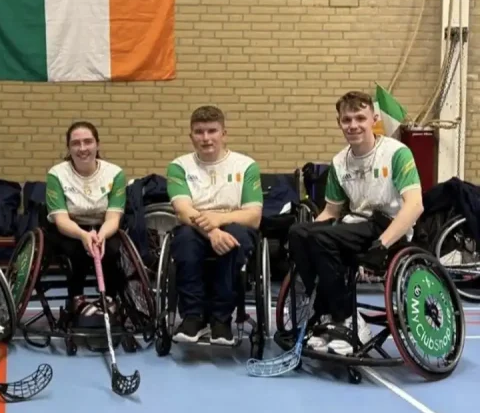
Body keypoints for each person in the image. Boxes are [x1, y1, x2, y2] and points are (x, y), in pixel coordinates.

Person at [288, 91, 424, 356]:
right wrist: (305, 237)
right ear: (339, 122)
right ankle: (328, 314)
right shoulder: (340, 162)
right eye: (346, 119)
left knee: (322, 238)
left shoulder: (397, 153)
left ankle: (351, 322)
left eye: (359, 118)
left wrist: (383, 244)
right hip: (354, 225)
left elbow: (415, 205)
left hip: (388, 227)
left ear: (373, 118)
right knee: (299, 232)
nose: (353, 125)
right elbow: (331, 211)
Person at [167, 106, 263, 345]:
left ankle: (221, 320)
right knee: (184, 239)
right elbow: (183, 210)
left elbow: (254, 216)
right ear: (191, 136)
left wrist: (218, 221)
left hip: (232, 224)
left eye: (212, 131)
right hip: (196, 228)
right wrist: (211, 231)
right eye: (199, 132)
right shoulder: (179, 166)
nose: (206, 138)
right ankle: (193, 317)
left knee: (235, 237)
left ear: (224, 134)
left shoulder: (246, 165)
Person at [44, 121, 127, 313]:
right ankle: (76, 299)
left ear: (97, 144)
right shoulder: (56, 174)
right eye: (76, 143)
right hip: (68, 229)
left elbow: (113, 217)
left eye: (88, 142)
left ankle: (110, 299)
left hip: (103, 226)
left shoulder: (115, 173)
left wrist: (102, 236)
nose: (82, 148)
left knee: (112, 250)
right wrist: (83, 235)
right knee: (77, 251)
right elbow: (61, 220)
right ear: (69, 147)